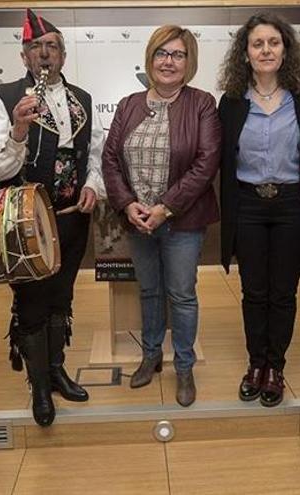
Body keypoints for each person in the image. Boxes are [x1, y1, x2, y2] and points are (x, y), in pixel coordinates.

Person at [0, 9, 106, 427]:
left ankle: (55, 370)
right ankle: (39, 386)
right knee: (31, 301)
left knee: (61, 296)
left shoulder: (82, 99)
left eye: (52, 47)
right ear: (24, 56)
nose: (44, 54)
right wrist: (16, 130)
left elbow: (97, 153)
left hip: (71, 218)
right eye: (36, 48)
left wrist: (93, 185)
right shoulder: (5, 97)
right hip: (24, 223)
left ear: (63, 56)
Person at [102, 25, 221, 407]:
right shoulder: (128, 104)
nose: (169, 61)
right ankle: (151, 355)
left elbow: (206, 163)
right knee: (149, 291)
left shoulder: (202, 103)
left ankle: (183, 366)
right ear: (150, 59)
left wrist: (165, 207)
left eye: (178, 54)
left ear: (189, 63)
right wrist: (127, 204)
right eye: (162, 53)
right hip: (137, 220)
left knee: (182, 296)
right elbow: (109, 159)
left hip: (181, 221)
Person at [218, 13, 300, 408]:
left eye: (274, 43)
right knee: (254, 292)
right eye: (257, 44)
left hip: (292, 204)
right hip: (247, 203)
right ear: (245, 53)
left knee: (282, 293)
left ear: (286, 49)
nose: (266, 50)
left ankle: (275, 367)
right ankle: (255, 365)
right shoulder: (232, 101)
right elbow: (221, 159)